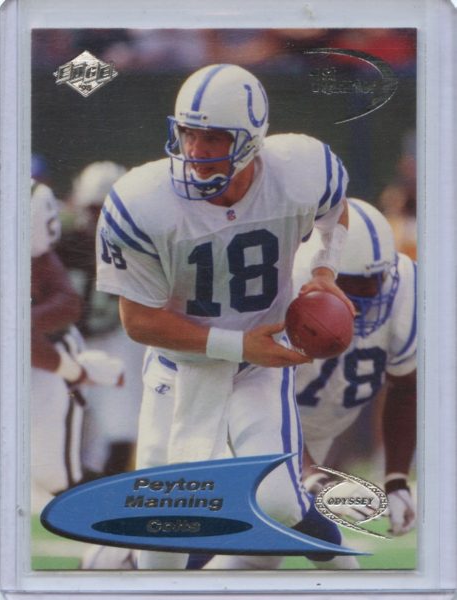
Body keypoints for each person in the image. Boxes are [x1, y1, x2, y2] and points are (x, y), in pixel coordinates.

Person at [96, 63, 357, 570]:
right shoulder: (144, 201)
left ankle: (351, 572)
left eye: (213, 136)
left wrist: (324, 270)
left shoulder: (299, 170)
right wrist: (237, 344)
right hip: (180, 369)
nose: (196, 150)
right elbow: (140, 322)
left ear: (252, 139)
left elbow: (335, 209)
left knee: (279, 502)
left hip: (259, 368)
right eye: (188, 133)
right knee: (159, 551)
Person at [293, 198, 417, 536]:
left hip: (320, 430)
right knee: (278, 513)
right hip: (255, 425)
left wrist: (396, 480)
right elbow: (261, 401)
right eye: (353, 282)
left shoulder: (405, 284)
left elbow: (405, 385)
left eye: (375, 279)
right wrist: (310, 475)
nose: (368, 294)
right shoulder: (285, 287)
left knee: (268, 552)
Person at [31, 178, 125, 502]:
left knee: (55, 474)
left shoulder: (40, 257)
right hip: (48, 356)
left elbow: (66, 305)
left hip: (51, 355)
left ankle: (116, 510)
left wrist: (73, 370)